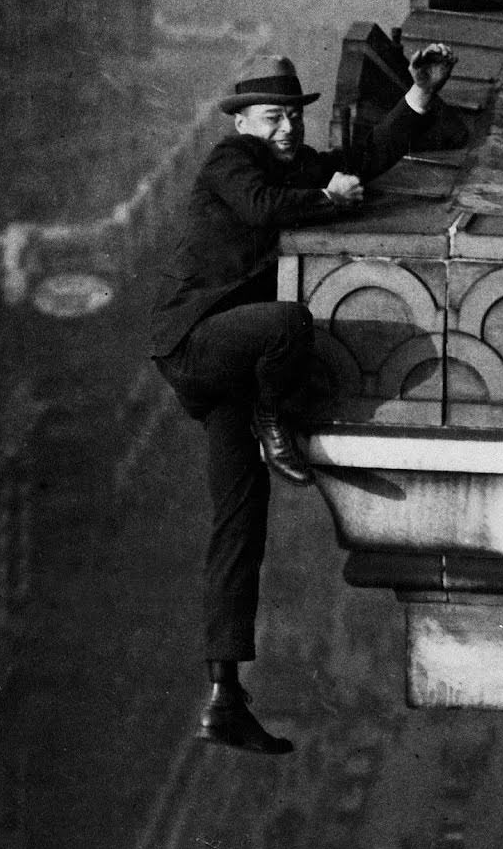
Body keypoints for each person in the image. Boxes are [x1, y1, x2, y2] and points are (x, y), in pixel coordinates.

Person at [150, 45, 456, 755]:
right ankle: (270, 418)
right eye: (273, 118)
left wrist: (417, 95)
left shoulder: (287, 164)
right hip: (197, 346)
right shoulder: (229, 162)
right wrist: (327, 200)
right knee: (289, 323)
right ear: (244, 122)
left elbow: (367, 158)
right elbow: (264, 209)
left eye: (292, 117)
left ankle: (224, 695)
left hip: (232, 362)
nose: (287, 129)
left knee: (239, 525)